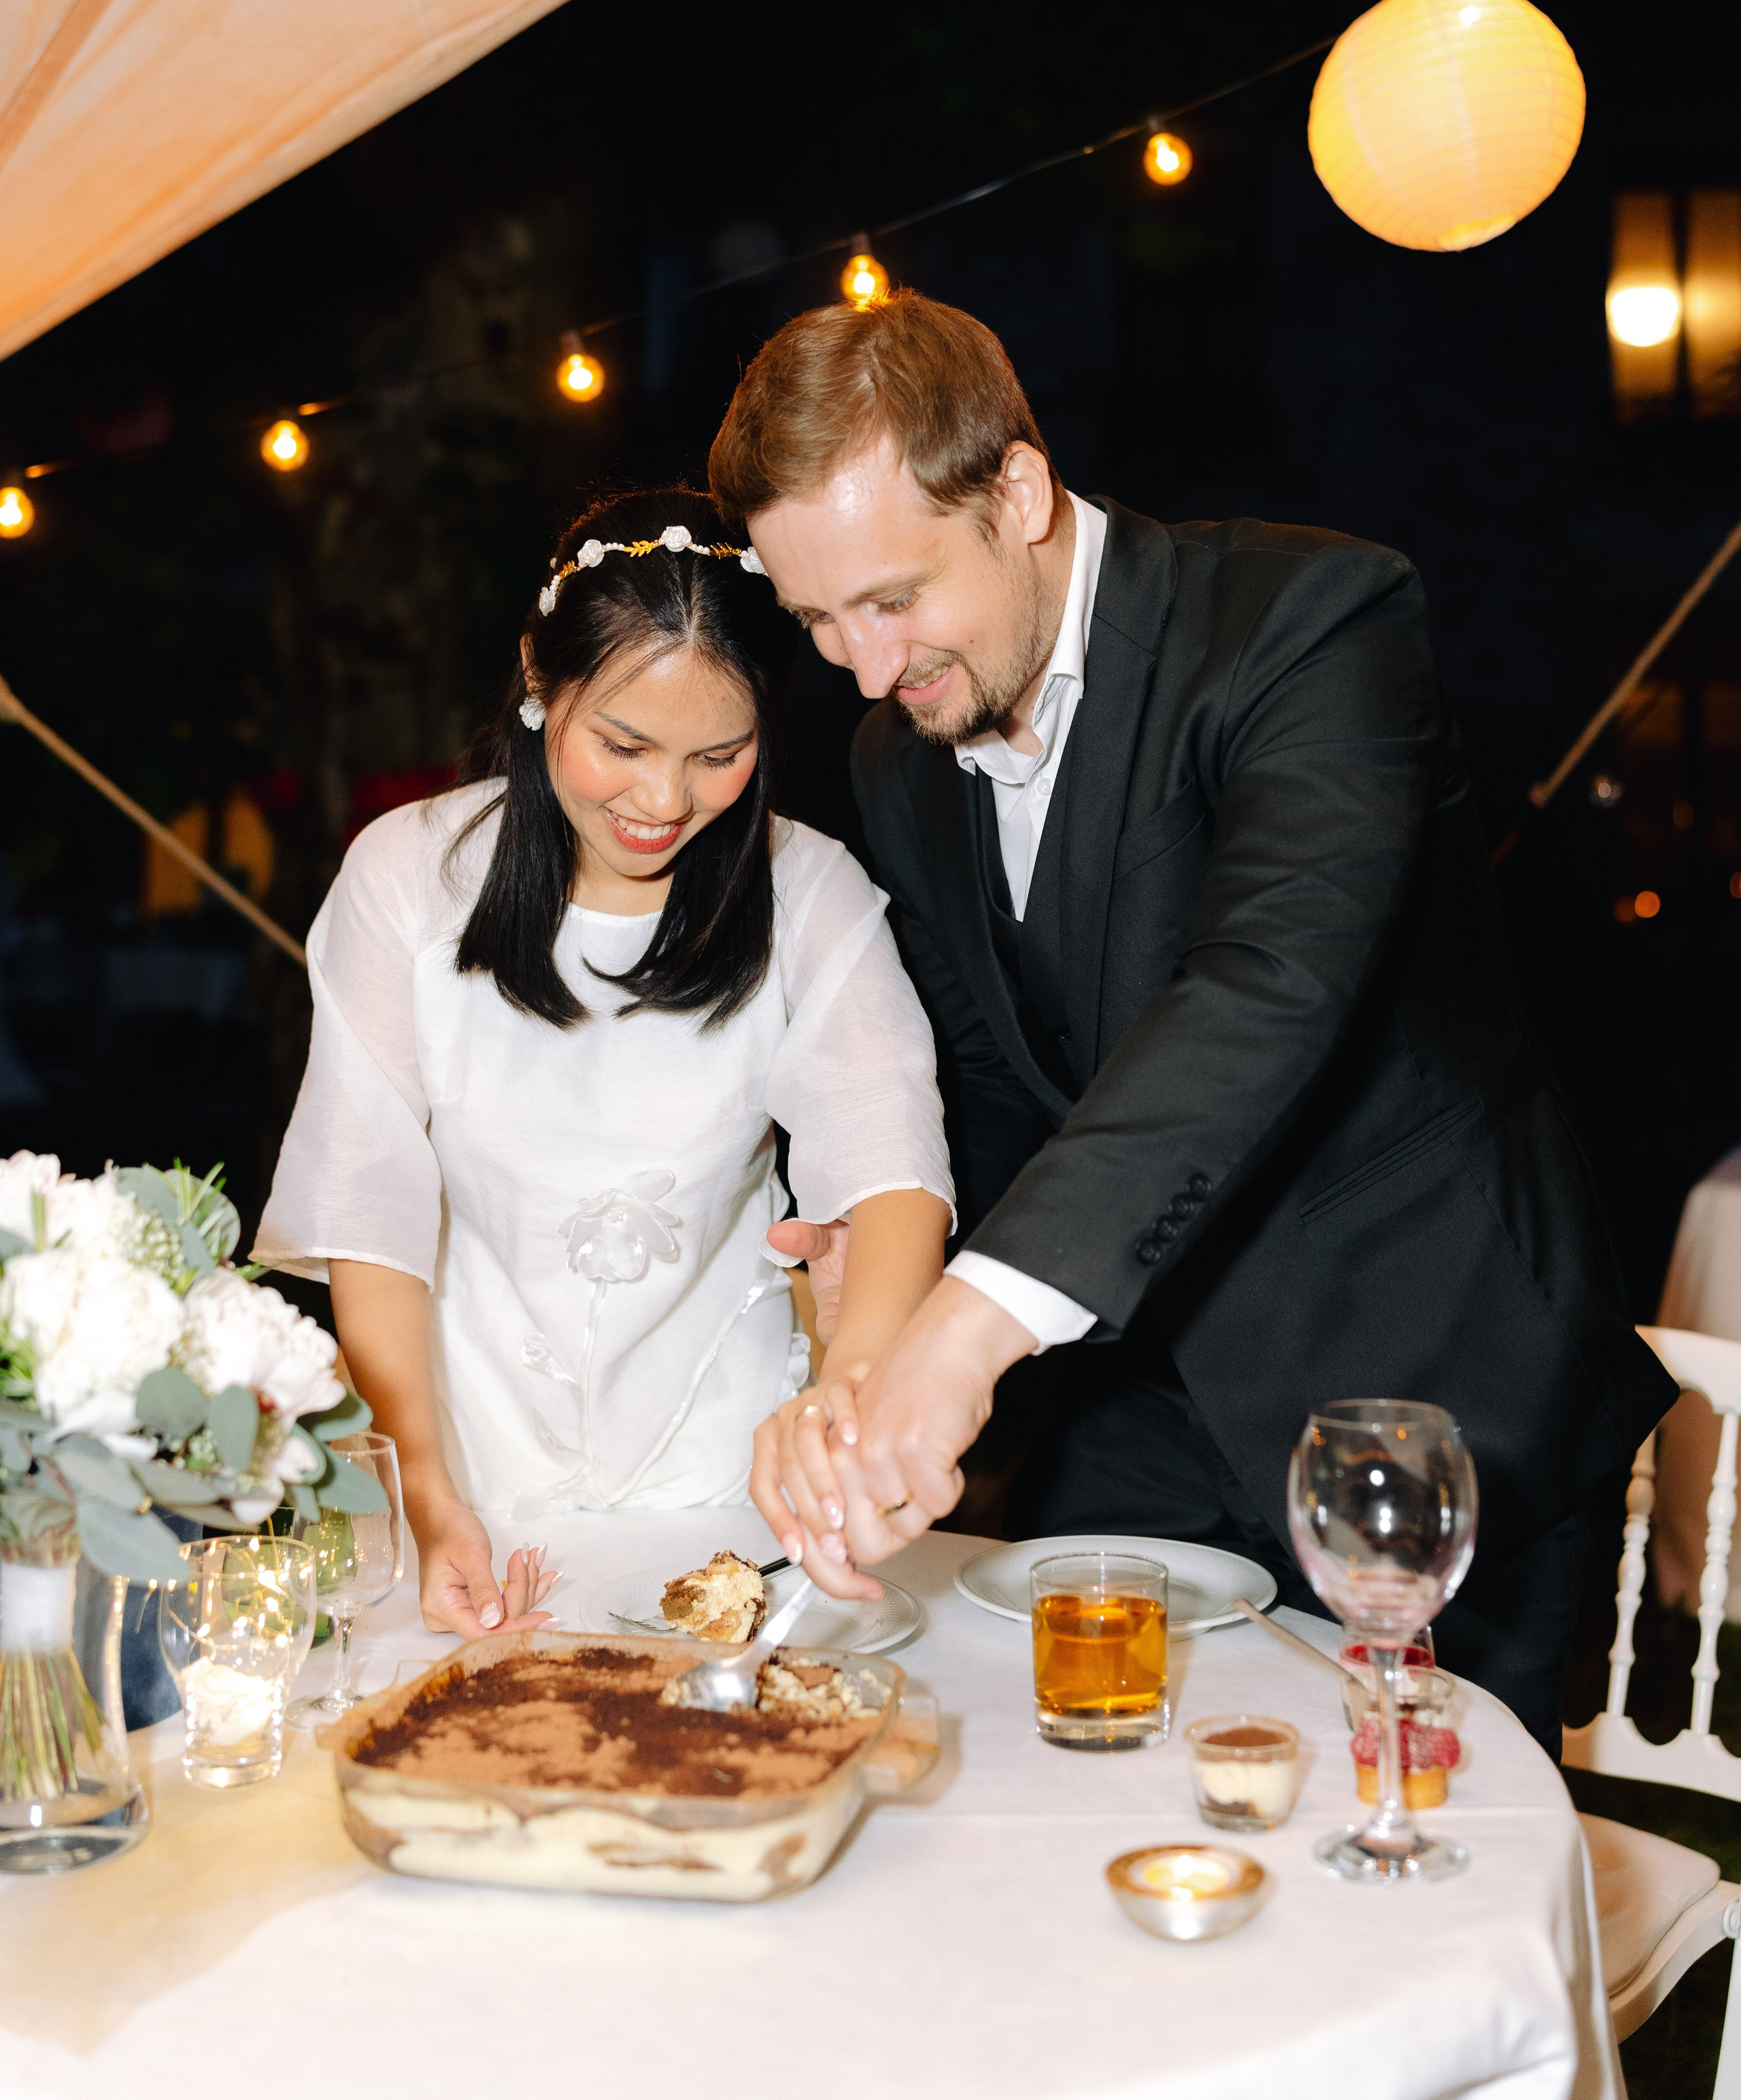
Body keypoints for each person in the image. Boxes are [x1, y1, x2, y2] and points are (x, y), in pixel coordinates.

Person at [715, 292, 1676, 1754]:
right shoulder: (895, 755)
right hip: (1137, 1414)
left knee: (1405, 1859)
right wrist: (894, 1272)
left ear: (1017, 492)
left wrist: (963, 1333)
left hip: (1418, 1405)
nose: (858, 665)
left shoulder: (1311, 622)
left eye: (893, 598)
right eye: (814, 618)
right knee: (1059, 1819)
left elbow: (1266, 990)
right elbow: (993, 1071)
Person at [255, 489, 952, 1639]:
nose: (664, 802)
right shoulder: (407, 878)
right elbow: (370, 1208)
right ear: (539, 680)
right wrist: (424, 1493)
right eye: (622, 745)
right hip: (468, 1471)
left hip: (733, 1495)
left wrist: (853, 1399)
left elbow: (890, 1169)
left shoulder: (812, 891)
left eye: (719, 755)